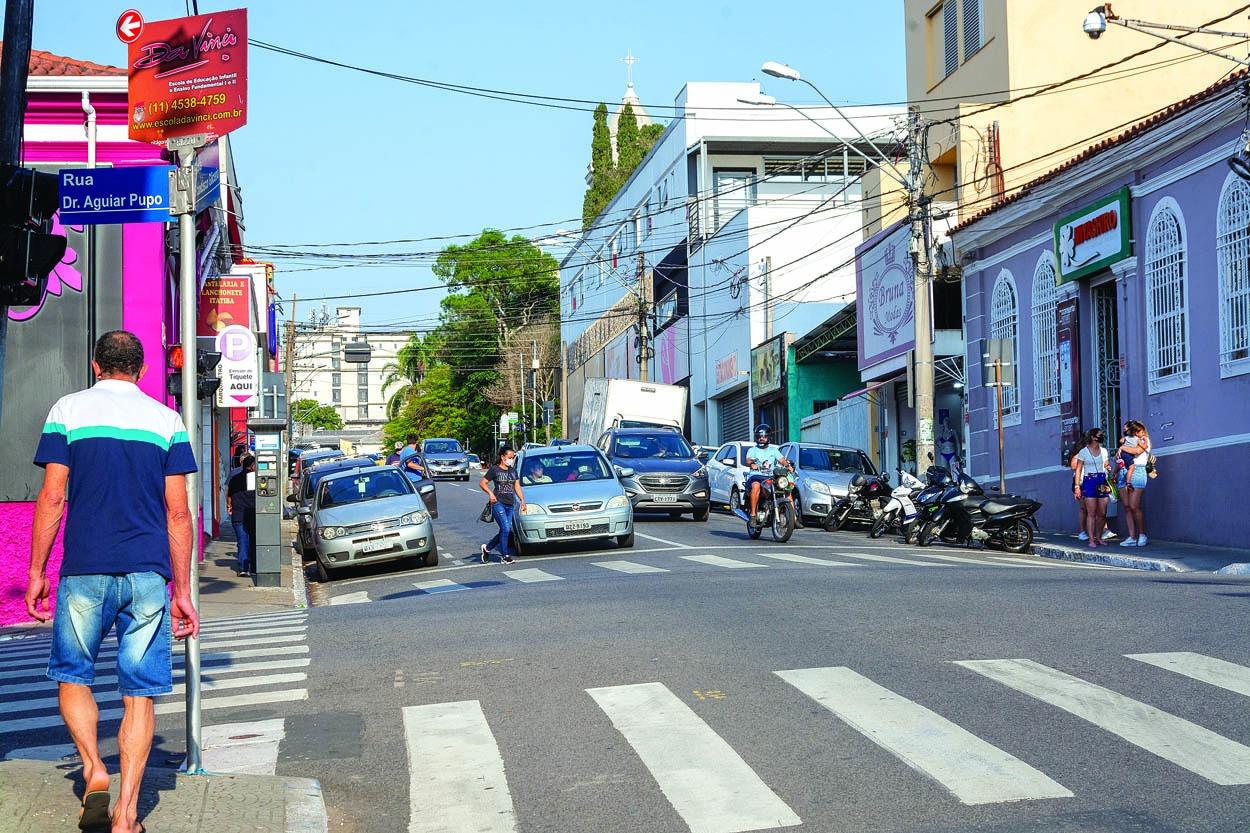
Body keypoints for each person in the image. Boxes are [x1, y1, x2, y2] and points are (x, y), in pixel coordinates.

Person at [25, 331, 199, 833]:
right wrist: (182, 590)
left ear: (95, 365)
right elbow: (179, 513)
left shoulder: (68, 411)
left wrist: (36, 571)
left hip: (84, 570)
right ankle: (126, 816)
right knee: (138, 695)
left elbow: (53, 497)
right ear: (141, 371)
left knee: (73, 675)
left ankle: (94, 768)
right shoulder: (167, 421)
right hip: (147, 574)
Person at [480, 445, 526, 564]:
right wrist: (490, 493)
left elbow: (516, 486)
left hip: (510, 503)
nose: (511, 459)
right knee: (505, 528)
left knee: (505, 530)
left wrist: (522, 500)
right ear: (502, 457)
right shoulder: (495, 469)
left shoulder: (513, 470)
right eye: (509, 457)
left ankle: (487, 548)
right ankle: (505, 556)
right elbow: (483, 483)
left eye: (513, 457)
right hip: (498, 503)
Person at [745, 424, 792, 527]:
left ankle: (793, 517)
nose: (762, 438)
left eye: (764, 436)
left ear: (769, 437)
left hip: (770, 477)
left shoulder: (773, 450)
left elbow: (782, 459)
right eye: (759, 436)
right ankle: (752, 515)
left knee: (786, 487)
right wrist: (751, 464)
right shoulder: (753, 450)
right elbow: (748, 460)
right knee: (756, 486)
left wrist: (787, 465)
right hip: (756, 476)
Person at [1073, 428, 1113, 549]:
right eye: (1099, 435)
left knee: (1102, 512)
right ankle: (1091, 539)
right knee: (1091, 512)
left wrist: (1108, 467)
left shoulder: (1104, 451)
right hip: (1089, 480)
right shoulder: (1084, 452)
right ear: (1093, 437)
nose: (1101, 437)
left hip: (1102, 480)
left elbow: (1105, 464)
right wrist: (1077, 486)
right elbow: (1079, 469)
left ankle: (1099, 536)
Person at [1119, 420, 1151, 547]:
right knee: (1127, 506)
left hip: (1138, 471)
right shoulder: (1130, 440)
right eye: (1135, 432)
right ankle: (1132, 536)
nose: (1137, 434)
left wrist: (1121, 448)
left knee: (1134, 506)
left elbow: (1137, 451)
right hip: (1125, 470)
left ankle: (1142, 534)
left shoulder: (1144, 440)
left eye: (1138, 431)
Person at [226, 455, 257, 576]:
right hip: (252, 513)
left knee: (242, 541)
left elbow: (229, 494)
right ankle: (254, 568)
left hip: (238, 515)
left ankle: (243, 568)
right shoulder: (254, 479)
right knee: (253, 541)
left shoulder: (234, 478)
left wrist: (229, 506)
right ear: (252, 466)